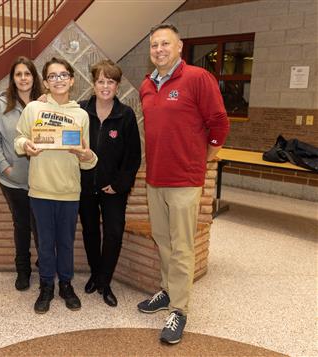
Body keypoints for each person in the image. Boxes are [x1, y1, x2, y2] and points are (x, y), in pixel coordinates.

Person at [137, 23, 229, 344]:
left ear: (179, 47)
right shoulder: (147, 85)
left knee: (182, 246)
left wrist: (203, 158)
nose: (159, 49)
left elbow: (219, 122)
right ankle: (167, 289)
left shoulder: (197, 79)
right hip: (155, 178)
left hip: (184, 180)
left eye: (165, 44)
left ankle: (180, 308)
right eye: (154, 46)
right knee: (163, 240)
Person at [14, 57, 98, 314]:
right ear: (46, 83)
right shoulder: (33, 110)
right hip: (40, 189)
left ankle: (66, 285)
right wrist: (24, 146)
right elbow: (19, 139)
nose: (58, 80)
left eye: (63, 75)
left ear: (72, 80)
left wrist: (87, 156)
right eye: (52, 76)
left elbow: (87, 158)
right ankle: (46, 286)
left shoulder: (81, 115)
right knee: (45, 242)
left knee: (65, 242)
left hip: (69, 191)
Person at [78, 60, 141, 307]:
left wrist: (118, 184)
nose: (105, 86)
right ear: (93, 84)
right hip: (85, 186)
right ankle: (95, 274)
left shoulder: (125, 115)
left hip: (114, 189)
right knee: (91, 232)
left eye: (111, 81)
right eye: (101, 81)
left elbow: (133, 156)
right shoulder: (81, 110)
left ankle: (105, 280)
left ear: (117, 85)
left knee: (113, 232)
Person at [0, 56, 42, 291]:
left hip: (42, 180)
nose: (23, 78)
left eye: (27, 74)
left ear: (33, 77)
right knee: (21, 226)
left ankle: (46, 265)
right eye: (18, 74)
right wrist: (4, 165)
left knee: (41, 226)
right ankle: (23, 270)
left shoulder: (44, 103)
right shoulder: (2, 105)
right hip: (13, 180)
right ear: (13, 79)